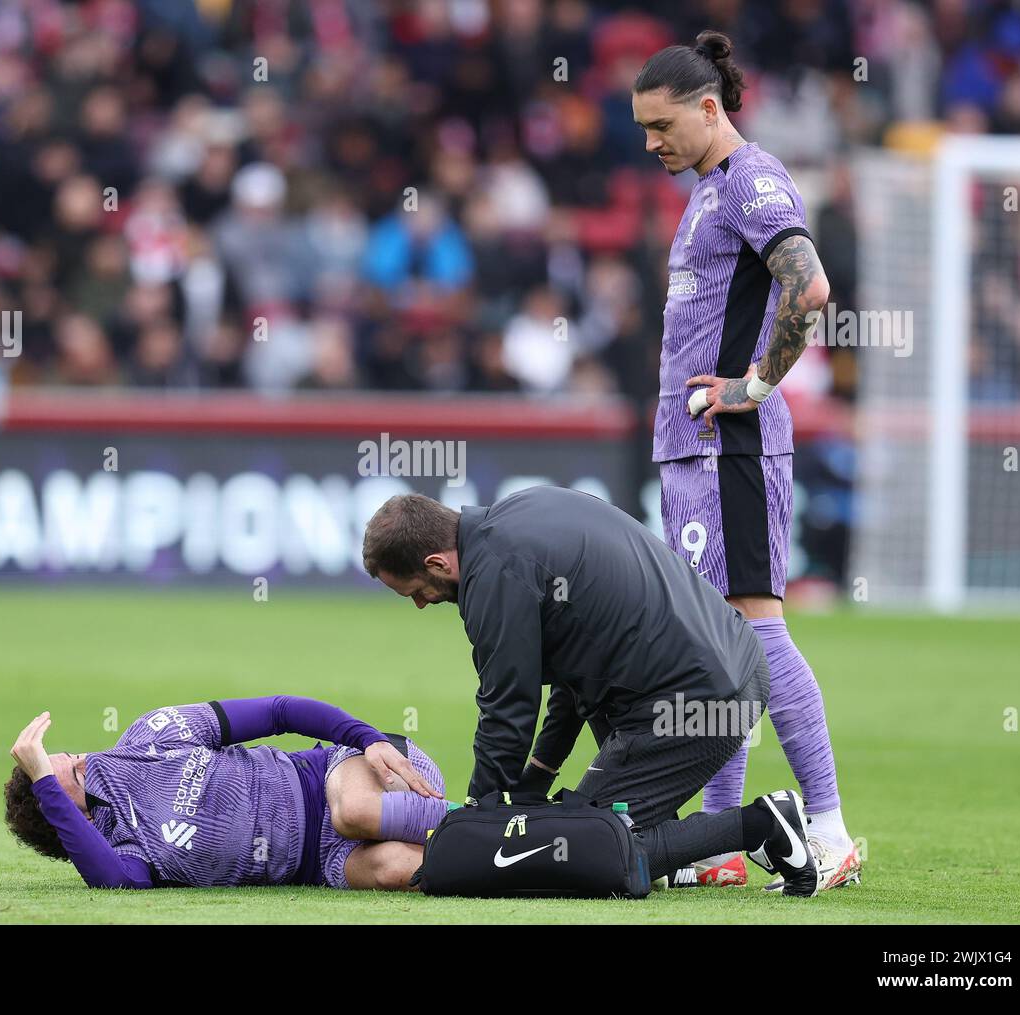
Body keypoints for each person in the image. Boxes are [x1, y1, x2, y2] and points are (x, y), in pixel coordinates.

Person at [631, 30, 858, 891]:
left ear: (708, 109)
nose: (651, 143)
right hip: (691, 449)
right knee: (714, 647)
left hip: (730, 445)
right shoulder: (705, 192)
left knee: (757, 629)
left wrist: (756, 385)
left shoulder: (753, 179)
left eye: (661, 126)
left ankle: (830, 829)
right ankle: (719, 842)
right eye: (643, 128)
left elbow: (811, 286)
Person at [362, 487, 824, 896]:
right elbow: (575, 674)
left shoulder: (495, 574)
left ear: (436, 563)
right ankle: (674, 847)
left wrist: (475, 821)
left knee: (586, 848)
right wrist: (538, 777)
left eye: (415, 592)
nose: (422, 604)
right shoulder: (523, 515)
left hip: (696, 700)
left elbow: (507, 709)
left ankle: (764, 824)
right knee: (583, 822)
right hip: (722, 671)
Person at [4, 696, 448, 891]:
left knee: (351, 812)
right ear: (75, 820)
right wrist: (44, 782)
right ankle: (506, 851)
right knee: (395, 872)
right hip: (321, 864)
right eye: (80, 777)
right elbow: (115, 883)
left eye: (75, 755)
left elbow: (280, 710)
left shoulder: (151, 734)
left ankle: (476, 816)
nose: (91, 760)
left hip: (341, 775)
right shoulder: (130, 850)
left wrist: (368, 739)